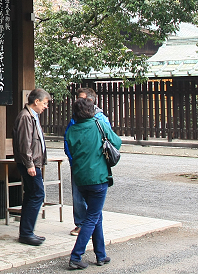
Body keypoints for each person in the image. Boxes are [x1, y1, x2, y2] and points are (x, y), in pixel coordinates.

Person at [65, 98, 122, 269]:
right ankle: (76, 256)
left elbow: (71, 151)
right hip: (98, 177)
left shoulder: (71, 130)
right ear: (91, 110)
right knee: (92, 217)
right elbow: (117, 142)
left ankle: (101, 255)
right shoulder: (99, 125)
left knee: (96, 215)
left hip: (80, 178)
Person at [65, 87, 111, 237]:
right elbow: (68, 140)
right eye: (78, 99)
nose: (80, 102)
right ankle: (81, 223)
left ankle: (89, 229)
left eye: (83, 99)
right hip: (78, 163)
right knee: (78, 196)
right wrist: (72, 158)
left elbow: (111, 141)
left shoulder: (100, 118)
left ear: (91, 100)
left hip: (95, 164)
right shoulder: (75, 118)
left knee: (93, 199)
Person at [12, 88, 51, 246]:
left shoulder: (32, 116)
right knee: (37, 194)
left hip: (34, 163)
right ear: (36, 101)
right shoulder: (26, 117)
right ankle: (27, 233)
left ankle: (27, 232)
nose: (45, 106)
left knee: (31, 194)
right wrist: (30, 164)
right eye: (44, 103)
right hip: (30, 163)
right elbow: (25, 143)